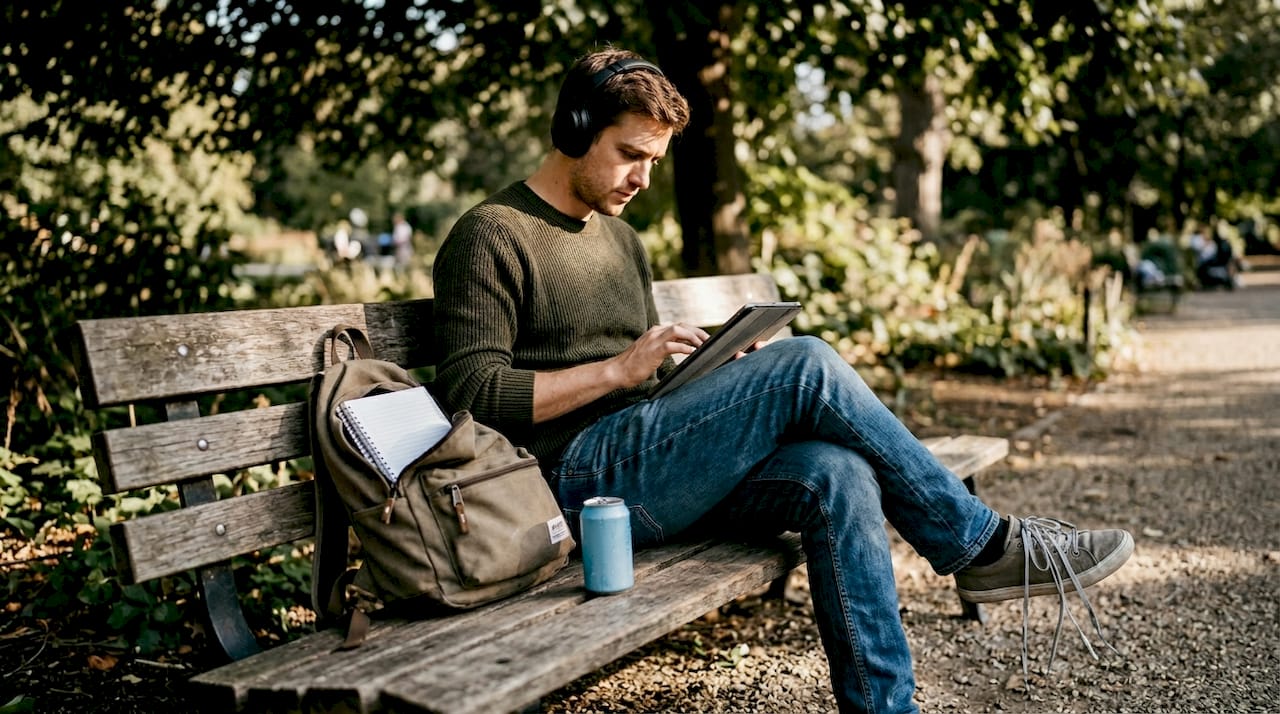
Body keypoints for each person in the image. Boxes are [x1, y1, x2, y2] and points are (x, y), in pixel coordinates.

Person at [431, 48, 1134, 714]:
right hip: (573, 482)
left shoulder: (621, 240)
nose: (642, 178)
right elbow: (472, 397)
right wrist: (619, 369)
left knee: (838, 472)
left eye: (653, 161)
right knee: (807, 363)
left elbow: (645, 387)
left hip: (650, 462)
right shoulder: (492, 234)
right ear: (576, 127)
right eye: (630, 155)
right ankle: (979, 545)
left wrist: (714, 378)